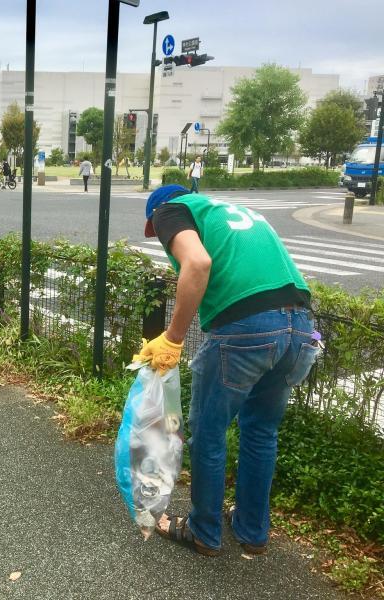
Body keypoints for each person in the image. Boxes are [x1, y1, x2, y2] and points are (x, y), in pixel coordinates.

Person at [138, 184, 319, 556]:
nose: (161, 238)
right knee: (261, 431)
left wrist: (172, 339)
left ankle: (204, 531)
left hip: (246, 329)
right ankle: (252, 531)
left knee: (209, 432)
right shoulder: (230, 212)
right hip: (300, 327)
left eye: (157, 234)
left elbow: (198, 263)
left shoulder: (171, 210)